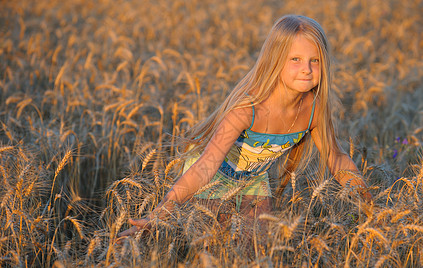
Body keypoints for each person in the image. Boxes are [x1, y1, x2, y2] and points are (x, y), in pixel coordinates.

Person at [117, 15, 371, 240]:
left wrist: (368, 202)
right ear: (275, 61)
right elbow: (205, 166)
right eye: (295, 59)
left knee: (257, 252)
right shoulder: (248, 108)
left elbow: (335, 157)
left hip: (253, 181)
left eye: (314, 60)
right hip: (212, 178)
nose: (306, 69)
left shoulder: (314, 109)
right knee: (213, 249)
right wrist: (161, 211)